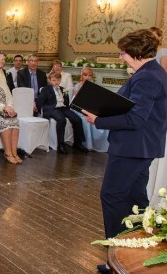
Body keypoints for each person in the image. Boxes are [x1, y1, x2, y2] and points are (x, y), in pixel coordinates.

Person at [81, 29, 167, 274]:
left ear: (136, 52)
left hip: (132, 147)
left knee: (112, 197)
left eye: (123, 51)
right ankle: (136, 255)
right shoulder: (152, 72)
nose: (121, 56)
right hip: (140, 146)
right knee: (135, 200)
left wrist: (99, 121)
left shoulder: (147, 77)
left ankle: (116, 258)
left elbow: (136, 118)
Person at [37, 72, 88, 154]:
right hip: (53, 109)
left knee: (77, 119)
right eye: (54, 80)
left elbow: (67, 101)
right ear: (50, 81)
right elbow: (40, 102)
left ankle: (78, 143)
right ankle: (61, 144)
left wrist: (67, 108)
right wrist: (41, 113)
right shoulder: (46, 89)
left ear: (60, 80)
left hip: (63, 108)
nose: (56, 82)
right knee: (61, 120)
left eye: (58, 80)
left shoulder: (62, 89)